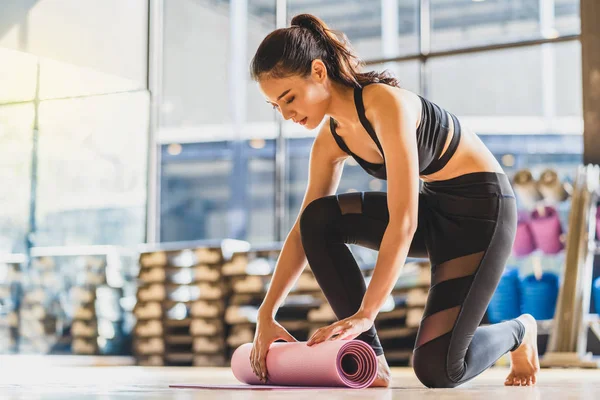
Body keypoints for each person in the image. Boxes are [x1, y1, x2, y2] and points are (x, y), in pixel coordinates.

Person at [248, 13, 540, 389]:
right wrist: (266, 312)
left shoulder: (384, 104)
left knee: (438, 369)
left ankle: (520, 330)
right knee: (317, 219)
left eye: (289, 98)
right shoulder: (330, 140)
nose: (286, 114)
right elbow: (303, 232)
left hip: (483, 216)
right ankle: (372, 360)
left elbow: (403, 221)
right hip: (433, 209)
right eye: (276, 107)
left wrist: (366, 312)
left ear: (319, 72)